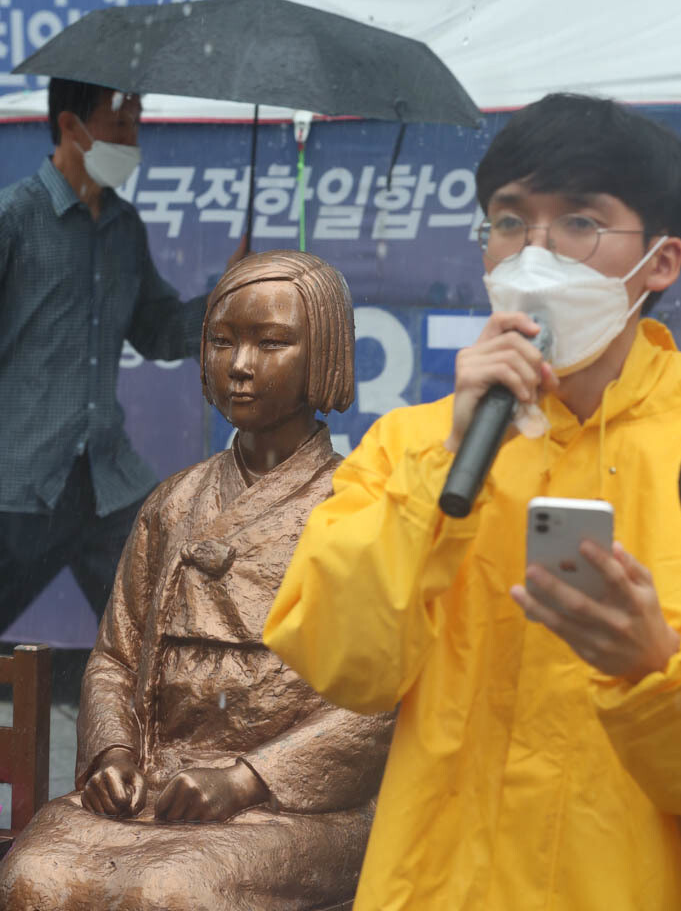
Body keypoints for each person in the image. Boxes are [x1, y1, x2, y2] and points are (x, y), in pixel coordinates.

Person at [264, 94, 681, 910]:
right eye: (508, 222)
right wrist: (443, 458)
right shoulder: (410, 443)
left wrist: (651, 674)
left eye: (580, 225)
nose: (534, 256)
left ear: (660, 262)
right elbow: (344, 664)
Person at [0, 250, 393, 911]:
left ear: (323, 354)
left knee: (169, 891)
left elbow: (380, 700)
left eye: (271, 344)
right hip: (154, 783)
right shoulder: (173, 501)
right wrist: (113, 756)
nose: (239, 365)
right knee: (33, 876)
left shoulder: (359, 505)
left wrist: (246, 777)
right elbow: (115, 659)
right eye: (221, 342)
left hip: (293, 806)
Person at [0, 77, 218, 626]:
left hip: (106, 482)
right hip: (18, 482)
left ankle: (142, 713)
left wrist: (225, 299)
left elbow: (159, 328)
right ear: (70, 126)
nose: (133, 138)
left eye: (137, 122)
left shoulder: (125, 228)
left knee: (157, 633)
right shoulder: (15, 221)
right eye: (120, 123)